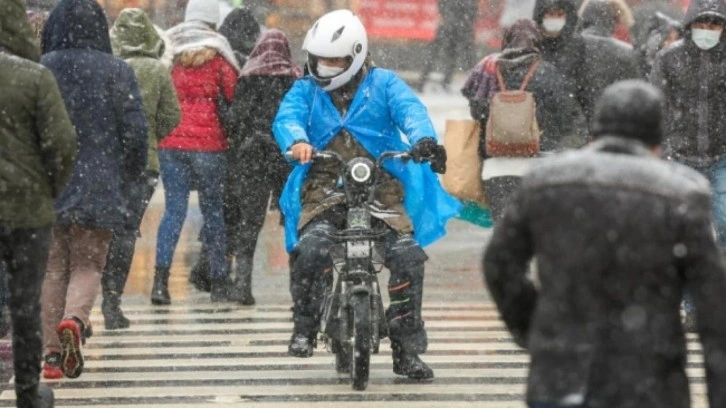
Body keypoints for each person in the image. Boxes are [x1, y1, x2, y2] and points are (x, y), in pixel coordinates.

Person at [484, 80, 726, 408]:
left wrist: (533, 326)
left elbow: (500, 262)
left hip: (561, 374)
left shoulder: (545, 181)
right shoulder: (682, 194)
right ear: (657, 139)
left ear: (595, 131)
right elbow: (713, 306)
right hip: (649, 380)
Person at [274, 9, 461, 380]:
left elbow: (412, 112)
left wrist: (423, 140)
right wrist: (296, 142)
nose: (325, 67)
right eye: (320, 59)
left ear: (355, 55)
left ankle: (406, 350)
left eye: (335, 60)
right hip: (325, 186)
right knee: (310, 250)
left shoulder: (385, 83)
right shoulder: (304, 89)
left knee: (408, 257)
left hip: (381, 186)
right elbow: (287, 118)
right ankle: (305, 326)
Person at [39, 0, 148, 380]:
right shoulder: (116, 71)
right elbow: (136, 133)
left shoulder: (43, 68)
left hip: (48, 181)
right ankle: (74, 320)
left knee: (52, 268)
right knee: (88, 264)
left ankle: (51, 355)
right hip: (100, 182)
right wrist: (130, 174)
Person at [0, 0, 77, 404]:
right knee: (25, 300)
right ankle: (28, 390)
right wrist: (48, 186)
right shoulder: (34, 77)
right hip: (27, 210)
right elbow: (62, 144)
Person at [154, 0, 240, 304]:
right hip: (209, 146)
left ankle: (160, 284)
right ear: (212, 23)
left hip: (172, 143)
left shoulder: (170, 53)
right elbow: (233, 95)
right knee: (213, 211)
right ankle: (218, 283)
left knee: (173, 211)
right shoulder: (219, 57)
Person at [461, 19, 587, 221]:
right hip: (538, 166)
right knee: (538, 233)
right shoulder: (547, 72)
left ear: (507, 40)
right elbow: (567, 117)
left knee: (506, 234)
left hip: (496, 167)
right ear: (537, 42)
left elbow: (477, 112)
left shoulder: (489, 69)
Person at [103, 8, 182, 330]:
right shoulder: (156, 69)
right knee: (126, 231)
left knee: (99, 231)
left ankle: (86, 301)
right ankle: (112, 301)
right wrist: (152, 136)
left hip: (106, 162)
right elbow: (171, 115)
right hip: (144, 163)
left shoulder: (107, 67)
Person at [651, 0, 726, 332]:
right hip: (681, 158)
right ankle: (692, 306)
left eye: (715, 25)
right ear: (691, 24)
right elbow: (658, 105)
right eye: (703, 24)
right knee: (686, 233)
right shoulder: (670, 57)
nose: (707, 32)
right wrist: (662, 148)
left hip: (722, 156)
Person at [222, 29, 300, 305]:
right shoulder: (293, 78)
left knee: (250, 223)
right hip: (285, 155)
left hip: (253, 155)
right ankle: (299, 287)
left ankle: (243, 286)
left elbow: (236, 119)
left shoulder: (248, 77)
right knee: (293, 219)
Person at [189, 6, 262, 294]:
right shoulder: (248, 64)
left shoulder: (217, 57)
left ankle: (208, 266)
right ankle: (216, 271)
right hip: (238, 148)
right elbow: (239, 108)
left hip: (215, 145)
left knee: (219, 210)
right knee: (233, 213)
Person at [533, 0, 638, 122]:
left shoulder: (569, 46)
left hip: (575, 123)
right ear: (613, 20)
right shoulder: (626, 51)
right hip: (613, 121)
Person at [416, 0, 479, 92]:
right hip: (463, 26)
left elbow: (442, 5)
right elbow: (473, 10)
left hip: (448, 24)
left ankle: (423, 80)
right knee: (465, 56)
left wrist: (447, 16)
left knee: (438, 53)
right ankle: (475, 85)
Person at [636, 11, 681, 78]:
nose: (673, 43)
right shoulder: (640, 64)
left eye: (676, 39)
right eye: (668, 39)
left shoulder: (680, 66)